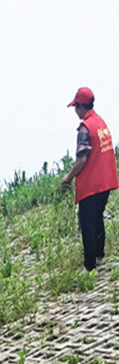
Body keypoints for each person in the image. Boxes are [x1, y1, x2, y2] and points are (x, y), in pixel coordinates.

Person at [60, 87, 118, 272]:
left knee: (87, 222)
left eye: (75, 107)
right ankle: (100, 256)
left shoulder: (85, 128)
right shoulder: (100, 123)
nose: (75, 111)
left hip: (92, 184)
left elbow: (82, 159)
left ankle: (90, 266)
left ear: (80, 106)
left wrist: (68, 178)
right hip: (107, 181)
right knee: (97, 217)